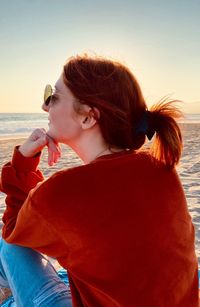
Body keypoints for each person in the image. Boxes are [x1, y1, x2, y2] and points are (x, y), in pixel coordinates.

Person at [0, 53, 199, 306]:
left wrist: (24, 160)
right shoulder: (162, 169)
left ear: (88, 117)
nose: (45, 106)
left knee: (7, 246)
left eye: (54, 96)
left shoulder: (62, 191)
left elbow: (12, 230)